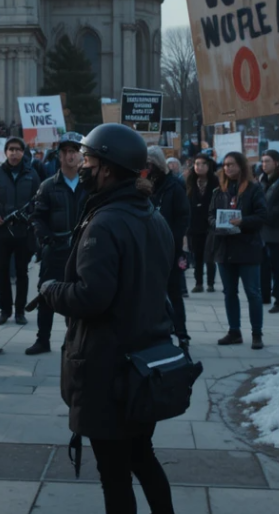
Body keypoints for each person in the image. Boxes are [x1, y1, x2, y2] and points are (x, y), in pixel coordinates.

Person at [38, 123, 176, 514]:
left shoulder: (107, 221)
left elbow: (90, 297)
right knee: (141, 457)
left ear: (108, 168)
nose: (82, 165)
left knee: (114, 473)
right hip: (143, 360)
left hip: (109, 367)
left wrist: (49, 289)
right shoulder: (150, 213)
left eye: (89, 159)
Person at [28, 133, 89, 355]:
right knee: (46, 293)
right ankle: (42, 339)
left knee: (79, 295)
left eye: (74, 151)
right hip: (55, 250)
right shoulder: (48, 186)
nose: (70, 156)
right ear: (59, 155)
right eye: (66, 152)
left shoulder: (89, 184)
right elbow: (38, 216)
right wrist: (47, 239)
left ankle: (74, 340)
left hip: (83, 250)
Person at [210, 151, 267, 349]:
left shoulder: (253, 189)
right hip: (225, 248)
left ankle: (257, 334)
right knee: (229, 292)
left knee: (253, 292)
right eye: (225, 165)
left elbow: (262, 216)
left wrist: (243, 221)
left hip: (248, 247)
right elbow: (210, 215)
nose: (228, 168)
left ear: (241, 166)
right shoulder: (219, 191)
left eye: (232, 164)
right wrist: (218, 223)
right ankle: (234, 331)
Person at [0, 137, 43, 324]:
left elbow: (39, 202)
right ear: (5, 152)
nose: (14, 153)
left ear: (23, 152)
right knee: (1, 272)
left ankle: (20, 311)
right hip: (2, 231)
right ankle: (5, 310)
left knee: (21, 273)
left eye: (17, 149)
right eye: (10, 149)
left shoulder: (32, 174)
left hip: (23, 232)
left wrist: (31, 217)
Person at [141, 146, 191, 348]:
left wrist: (172, 240)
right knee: (149, 294)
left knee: (174, 294)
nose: (146, 168)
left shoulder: (174, 187)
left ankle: (182, 333)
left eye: (149, 164)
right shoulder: (142, 186)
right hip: (146, 249)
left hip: (169, 250)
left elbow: (183, 218)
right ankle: (156, 331)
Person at [259, 149, 279, 314]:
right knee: (263, 263)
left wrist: (269, 213)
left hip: (276, 227)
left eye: (267, 161)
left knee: (275, 264)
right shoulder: (262, 179)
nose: (264, 164)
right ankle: (265, 295)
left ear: (277, 163)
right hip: (263, 227)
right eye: (263, 161)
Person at [186, 153, 219, 293]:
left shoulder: (215, 182)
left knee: (210, 255)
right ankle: (198, 283)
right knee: (197, 255)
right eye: (197, 164)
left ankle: (211, 283)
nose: (199, 167)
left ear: (208, 166)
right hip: (194, 225)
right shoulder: (189, 181)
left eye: (203, 164)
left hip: (211, 224)